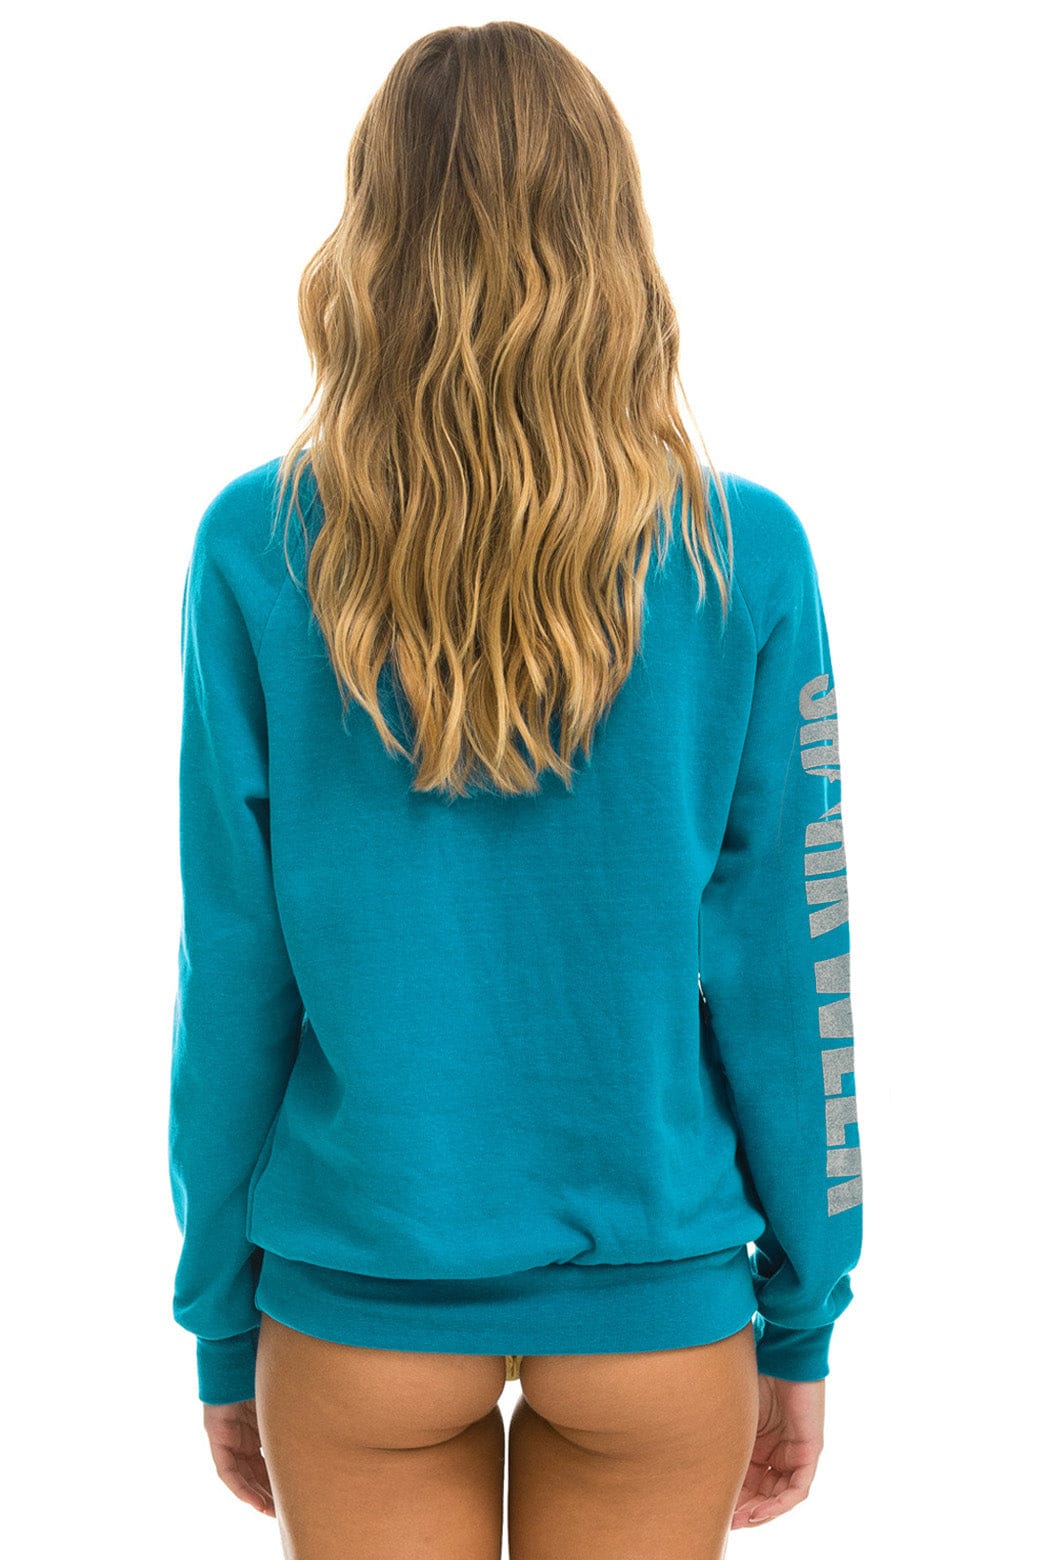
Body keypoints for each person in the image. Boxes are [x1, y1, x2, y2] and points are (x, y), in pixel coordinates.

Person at [167, 20, 863, 1560]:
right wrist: (803, 1310)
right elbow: (793, 973)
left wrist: (221, 1314)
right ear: (615, 240)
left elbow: (234, 973)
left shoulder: (257, 548)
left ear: (373, 241)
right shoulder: (744, 555)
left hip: (357, 1301)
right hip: (658, 1301)